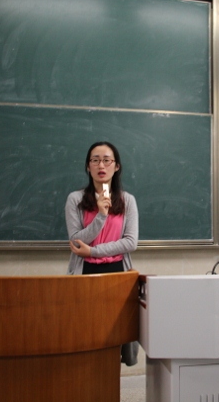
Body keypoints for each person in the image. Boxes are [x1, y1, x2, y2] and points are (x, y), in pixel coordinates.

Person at [65, 141, 139, 365]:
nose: (101, 165)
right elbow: (76, 241)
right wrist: (101, 215)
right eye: (95, 160)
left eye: (107, 160)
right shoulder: (75, 199)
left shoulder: (127, 201)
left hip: (118, 273)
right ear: (88, 166)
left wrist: (93, 251)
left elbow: (130, 242)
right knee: (85, 332)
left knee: (115, 334)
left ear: (116, 166)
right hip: (85, 272)